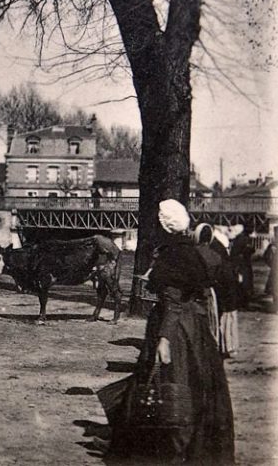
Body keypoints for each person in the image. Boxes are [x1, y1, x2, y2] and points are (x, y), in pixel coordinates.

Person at [100, 199, 234, 464]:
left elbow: (173, 302)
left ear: (164, 224)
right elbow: (212, 282)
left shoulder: (171, 255)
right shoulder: (198, 251)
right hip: (197, 329)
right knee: (199, 386)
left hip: (174, 328)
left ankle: (166, 447)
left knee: (168, 384)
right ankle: (198, 444)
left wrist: (164, 338)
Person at [211, 226, 240, 357]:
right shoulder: (220, 246)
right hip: (227, 285)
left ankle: (226, 346)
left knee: (225, 317)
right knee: (227, 317)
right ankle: (228, 346)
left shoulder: (217, 246)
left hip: (226, 286)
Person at [229, 224, 254, 307]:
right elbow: (250, 250)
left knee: (242, 282)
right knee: (245, 282)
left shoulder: (239, 239)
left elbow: (234, 253)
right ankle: (244, 301)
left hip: (241, 264)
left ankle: (242, 301)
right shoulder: (245, 239)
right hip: (244, 264)